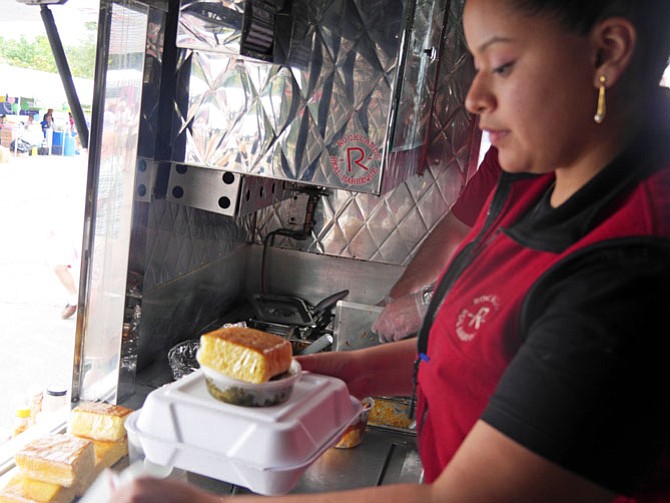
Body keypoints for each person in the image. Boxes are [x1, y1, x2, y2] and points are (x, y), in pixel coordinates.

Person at [112, 1, 670, 501]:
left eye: (501, 65)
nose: (474, 99)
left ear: (607, 52)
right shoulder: (536, 181)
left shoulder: (633, 266)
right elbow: (480, 351)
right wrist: (335, 374)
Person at [373, 145, 501, 342]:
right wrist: (397, 297)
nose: (481, 114)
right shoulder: (502, 156)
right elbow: (456, 231)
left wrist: (430, 302)